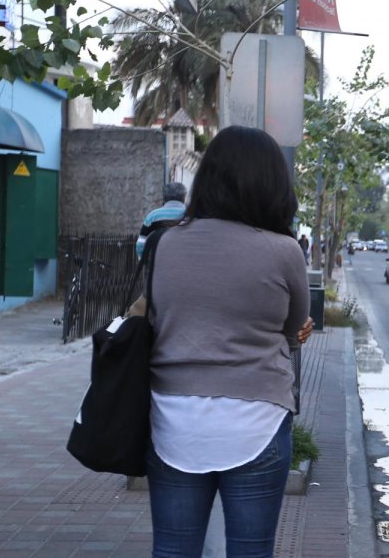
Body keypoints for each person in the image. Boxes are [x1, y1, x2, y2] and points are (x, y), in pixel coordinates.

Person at [145, 126, 313, 557]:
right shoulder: (283, 251)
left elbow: (159, 316)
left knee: (172, 549)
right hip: (257, 417)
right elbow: (293, 330)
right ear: (273, 183)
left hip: (174, 419)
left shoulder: (165, 245)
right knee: (251, 551)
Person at [136, 182, 187, 258]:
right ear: (184, 197)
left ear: (164, 197)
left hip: (157, 263)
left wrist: (145, 262)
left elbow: (140, 244)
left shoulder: (152, 216)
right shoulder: (191, 215)